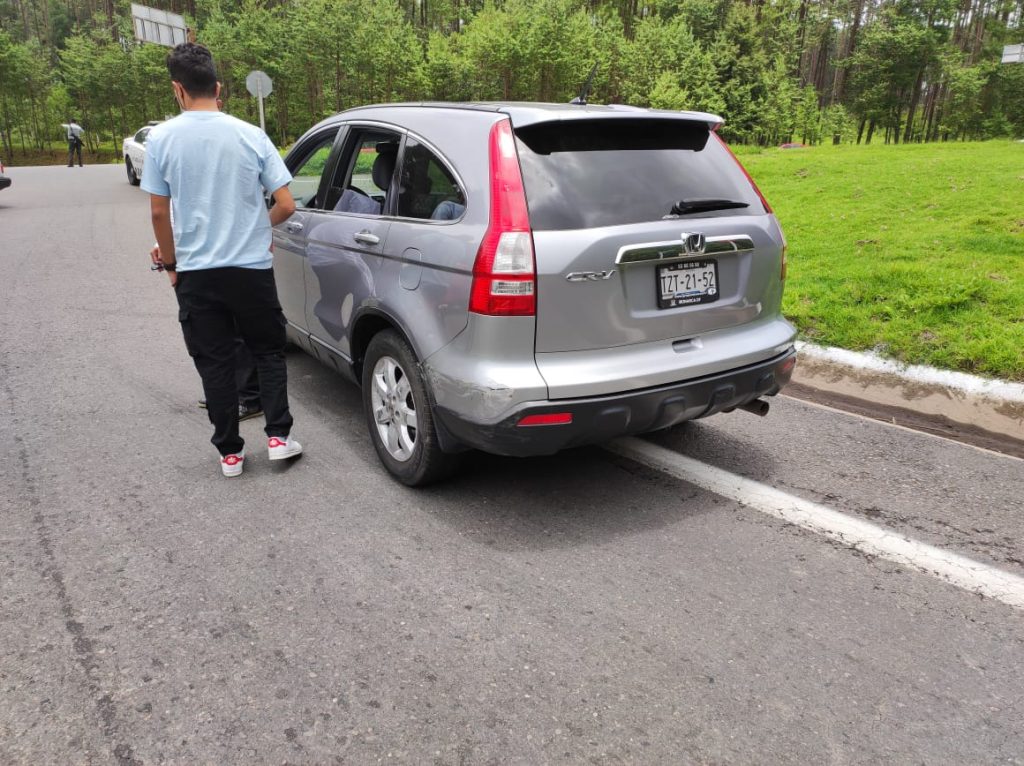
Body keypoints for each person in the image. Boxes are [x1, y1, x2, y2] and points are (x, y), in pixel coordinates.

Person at [141, 41, 300, 477]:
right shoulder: (251, 135)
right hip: (250, 269)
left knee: (215, 361)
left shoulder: (161, 139)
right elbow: (286, 204)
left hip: (196, 273)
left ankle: (230, 453)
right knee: (267, 351)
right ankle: (279, 438)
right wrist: (257, 228)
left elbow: (158, 211)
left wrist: (170, 265)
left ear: (178, 89)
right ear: (218, 86)